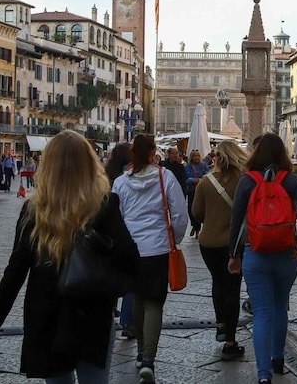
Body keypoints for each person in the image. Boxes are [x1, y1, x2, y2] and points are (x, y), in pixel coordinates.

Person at [0, 130, 140, 383]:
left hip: (46, 316)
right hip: (92, 315)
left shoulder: (33, 211)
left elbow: (13, 275)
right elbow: (130, 259)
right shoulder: (103, 204)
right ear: (89, 165)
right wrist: (110, 289)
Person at [228, 133, 297, 384]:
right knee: (280, 306)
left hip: (255, 253)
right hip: (287, 254)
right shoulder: (291, 179)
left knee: (262, 312)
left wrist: (233, 255)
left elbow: (236, 221)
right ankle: (278, 358)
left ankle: (263, 375)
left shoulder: (247, 181)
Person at [113, 135, 188, 383]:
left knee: (135, 298)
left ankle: (139, 353)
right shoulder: (165, 177)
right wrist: (174, 240)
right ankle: (148, 359)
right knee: (154, 303)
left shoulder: (121, 183)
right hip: (157, 248)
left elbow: (117, 217)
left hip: (131, 249)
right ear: (152, 152)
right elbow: (179, 214)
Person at [192, 141, 249, 360]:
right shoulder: (245, 181)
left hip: (209, 243)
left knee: (217, 282)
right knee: (232, 288)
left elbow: (196, 213)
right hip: (235, 244)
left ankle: (221, 326)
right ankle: (230, 341)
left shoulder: (206, 183)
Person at [104, 142, 136, 339]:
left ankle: (109, 311)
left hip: (108, 232)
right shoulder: (133, 175)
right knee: (130, 280)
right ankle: (128, 322)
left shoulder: (107, 176)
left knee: (109, 275)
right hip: (129, 231)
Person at [184, 150, 210, 237]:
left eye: (198, 156)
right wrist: (192, 180)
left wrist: (200, 179)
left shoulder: (203, 166)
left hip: (201, 191)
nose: (196, 158)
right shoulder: (187, 167)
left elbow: (208, 175)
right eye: (195, 156)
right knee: (190, 210)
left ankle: (197, 229)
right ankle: (194, 226)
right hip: (191, 191)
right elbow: (185, 179)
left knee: (199, 209)